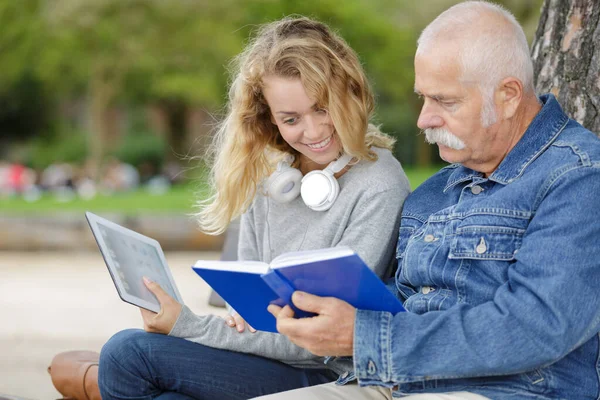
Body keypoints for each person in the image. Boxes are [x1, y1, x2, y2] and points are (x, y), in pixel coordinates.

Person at [49, 16, 411, 400]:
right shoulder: (273, 176)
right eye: (291, 119)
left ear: (350, 93)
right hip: (267, 359)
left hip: (328, 372)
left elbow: (319, 338)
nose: (315, 131)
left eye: (323, 108)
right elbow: (253, 317)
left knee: (126, 353)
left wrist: (189, 326)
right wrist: (233, 324)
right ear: (268, 119)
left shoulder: (379, 183)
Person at [254, 2, 600, 400]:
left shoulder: (578, 177)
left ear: (507, 96)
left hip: (506, 391)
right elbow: (407, 303)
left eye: (445, 102)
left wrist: (364, 334)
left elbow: (537, 326)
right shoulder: (436, 191)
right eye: (423, 98)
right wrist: (323, 315)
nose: (423, 119)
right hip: (394, 382)